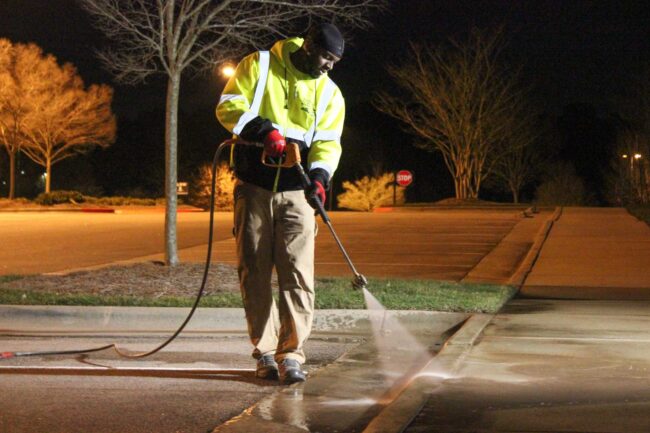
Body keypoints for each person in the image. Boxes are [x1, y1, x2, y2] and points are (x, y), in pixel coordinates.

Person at [216, 23, 346, 384]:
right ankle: (265, 351)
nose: (328, 66)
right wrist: (265, 131)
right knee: (254, 272)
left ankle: (291, 355)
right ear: (307, 46)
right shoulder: (258, 65)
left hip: (297, 195)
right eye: (325, 57)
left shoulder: (331, 94)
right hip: (253, 187)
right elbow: (229, 107)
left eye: (334, 61)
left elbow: (328, 143)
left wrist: (320, 180)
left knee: (298, 274)